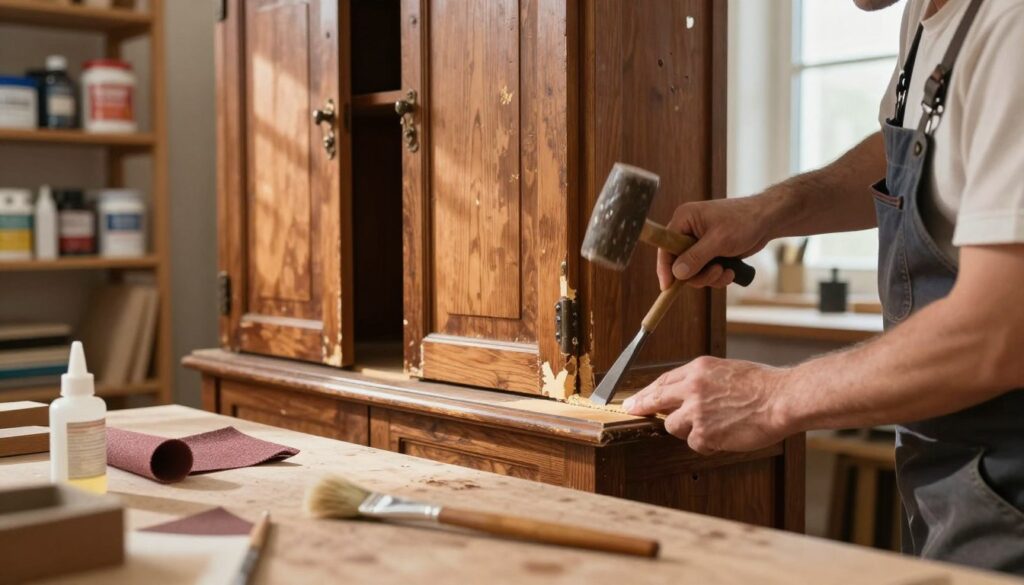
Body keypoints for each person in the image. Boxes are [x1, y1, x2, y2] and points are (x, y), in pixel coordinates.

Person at [623, 0, 1024, 574]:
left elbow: (1001, 331)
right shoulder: (926, 16)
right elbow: (908, 151)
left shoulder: (1012, 26)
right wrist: (769, 210)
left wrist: (771, 398)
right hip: (953, 484)